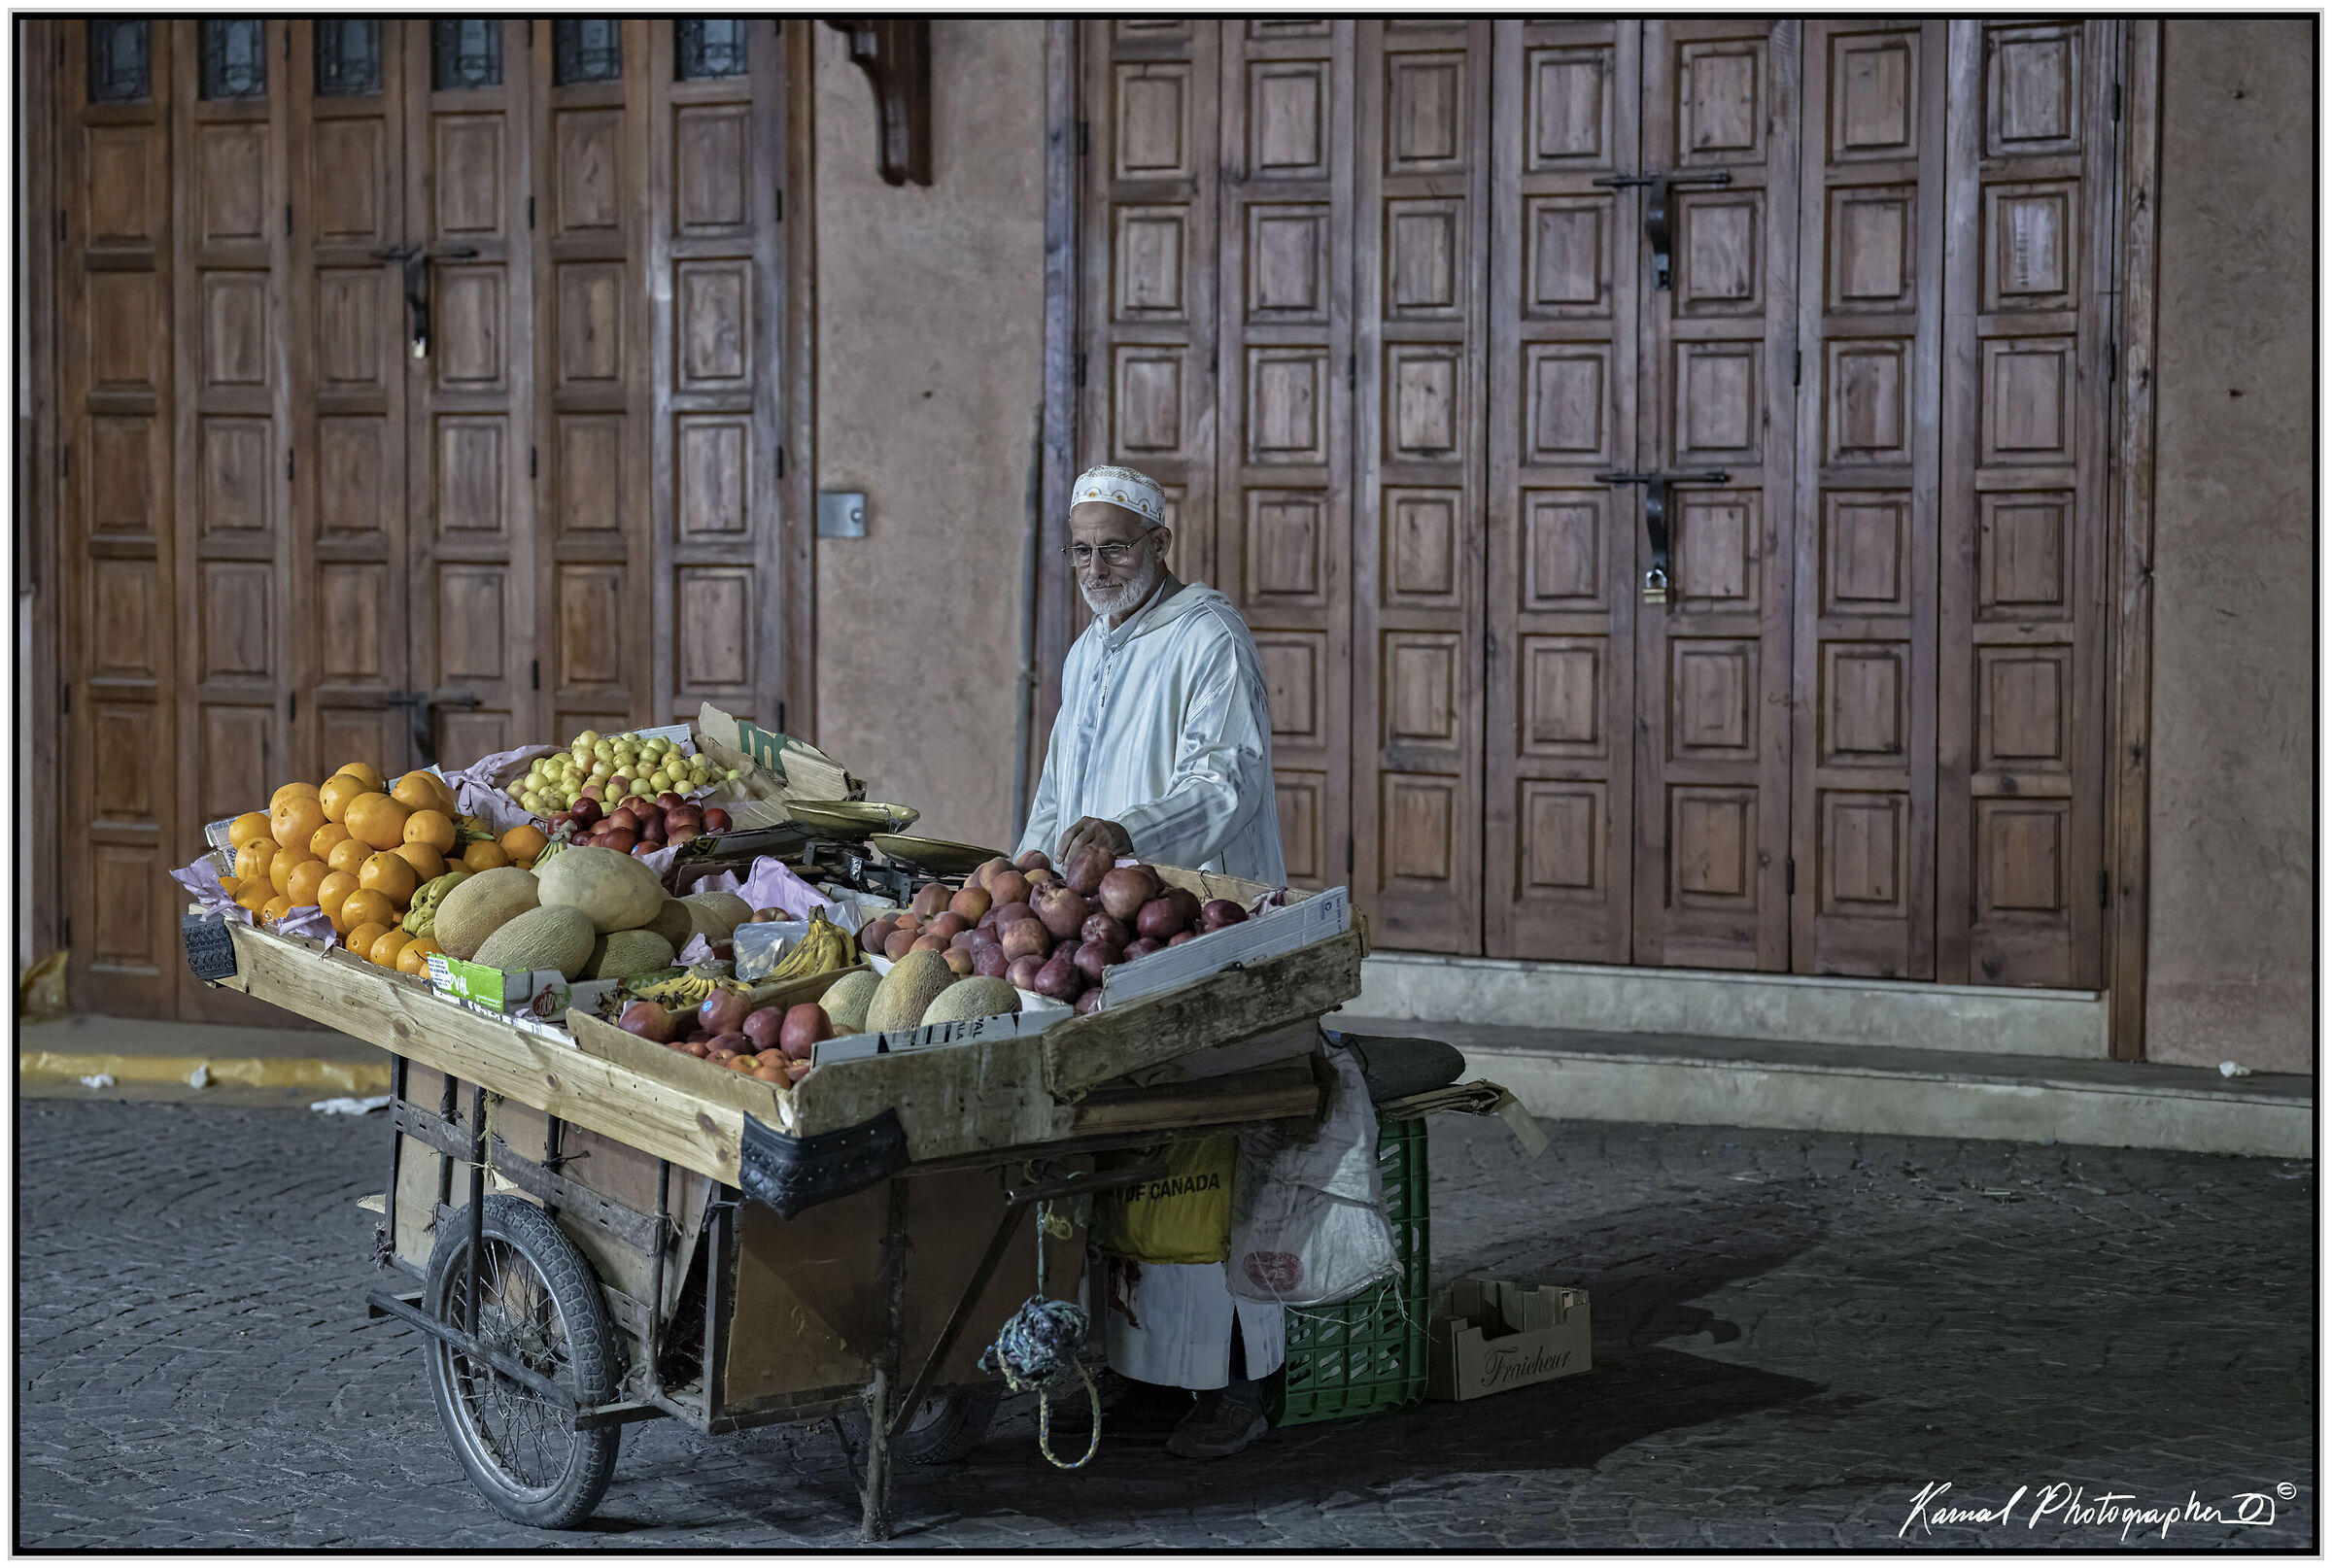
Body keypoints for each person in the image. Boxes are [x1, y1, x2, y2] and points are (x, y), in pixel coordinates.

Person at [1016, 463, 1286, 1459]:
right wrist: (1028, 879)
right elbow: (1055, 793)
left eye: (1115, 548)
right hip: (1109, 944)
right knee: (1129, 1150)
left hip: (1200, 924)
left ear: (1160, 547)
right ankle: (1151, 1375)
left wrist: (1128, 831)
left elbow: (1230, 782)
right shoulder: (1091, 652)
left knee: (1209, 1148)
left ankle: (1247, 1383)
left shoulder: (1207, 636)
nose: (1096, 567)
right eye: (1081, 551)